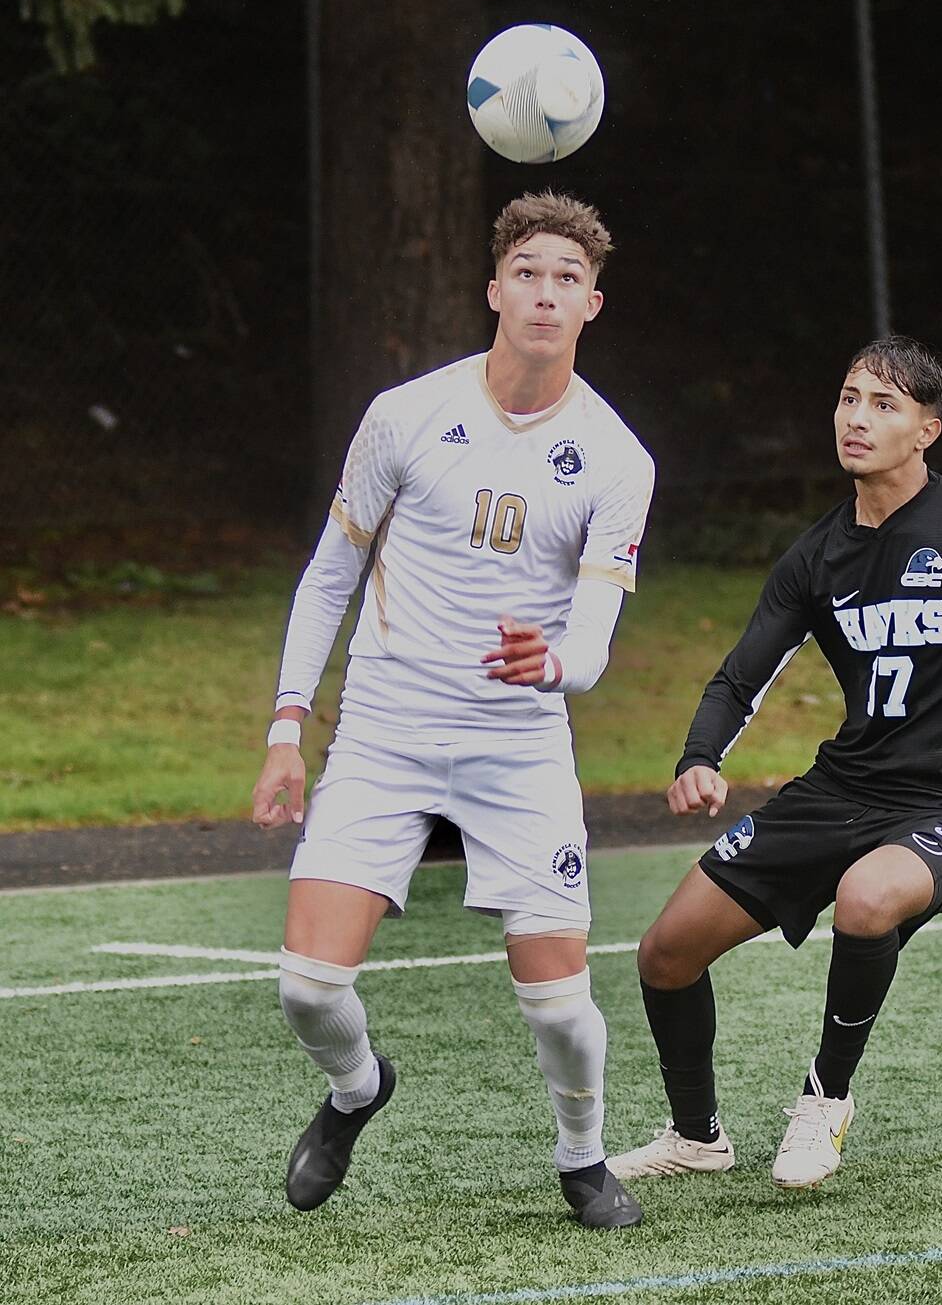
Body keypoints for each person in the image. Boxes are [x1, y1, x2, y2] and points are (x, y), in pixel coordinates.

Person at [251, 190, 654, 1229]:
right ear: (493, 289)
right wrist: (287, 726)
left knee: (562, 1007)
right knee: (305, 988)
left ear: (592, 305)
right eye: (528, 273)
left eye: (568, 279)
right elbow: (329, 575)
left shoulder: (616, 460)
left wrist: (553, 663)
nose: (546, 294)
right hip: (385, 733)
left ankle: (580, 1158)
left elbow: (595, 638)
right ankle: (356, 1090)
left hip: (516, 746)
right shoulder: (405, 414)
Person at [608, 334, 942, 1190]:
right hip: (839, 789)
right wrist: (700, 755)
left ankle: (825, 1100)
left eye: (884, 404)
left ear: (927, 430)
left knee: (867, 899)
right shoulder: (817, 554)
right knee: (665, 952)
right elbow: (743, 671)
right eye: (849, 397)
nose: (857, 418)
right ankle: (695, 1135)